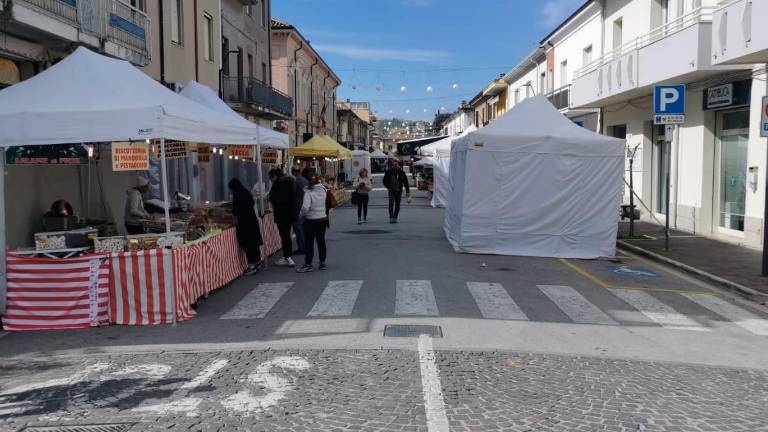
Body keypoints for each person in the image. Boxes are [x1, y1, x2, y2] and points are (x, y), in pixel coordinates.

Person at [229, 178, 263, 275]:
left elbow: (235, 211)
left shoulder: (237, 196)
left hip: (244, 223)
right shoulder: (246, 193)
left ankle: (251, 264)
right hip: (252, 221)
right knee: (254, 243)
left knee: (248, 245)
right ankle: (257, 262)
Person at [297, 171, 328, 273]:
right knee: (321, 241)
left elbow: (306, 207)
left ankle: (308, 264)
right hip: (322, 218)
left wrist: (300, 215)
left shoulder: (308, 192)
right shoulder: (323, 189)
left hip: (310, 220)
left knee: (309, 242)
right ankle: (322, 262)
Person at [268, 168, 297, 267]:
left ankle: (287, 256)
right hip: (289, 213)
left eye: (271, 177)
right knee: (286, 235)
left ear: (275, 176)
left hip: (281, 213)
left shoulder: (278, 184)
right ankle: (288, 256)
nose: (270, 179)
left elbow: (273, 197)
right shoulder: (290, 183)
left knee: (284, 235)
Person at [292, 166, 309, 254]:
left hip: (298, 207)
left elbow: (292, 194)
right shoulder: (305, 180)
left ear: (294, 172)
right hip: (305, 206)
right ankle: (305, 246)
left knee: (298, 229)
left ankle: (302, 248)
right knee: (303, 228)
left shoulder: (296, 181)